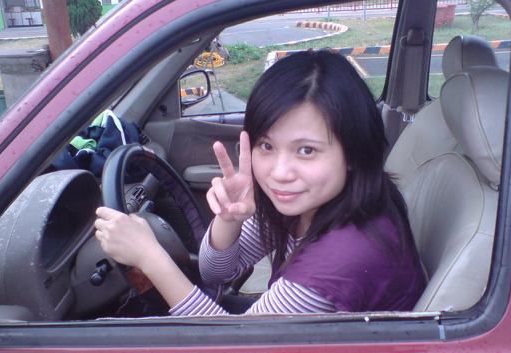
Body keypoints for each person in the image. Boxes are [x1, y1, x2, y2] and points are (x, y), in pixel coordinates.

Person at [94, 49, 426, 316]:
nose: (279, 172)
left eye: (306, 150)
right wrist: (229, 220)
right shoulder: (312, 200)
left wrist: (150, 258)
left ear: (352, 152)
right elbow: (216, 272)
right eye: (266, 145)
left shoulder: (344, 255)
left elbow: (236, 352)